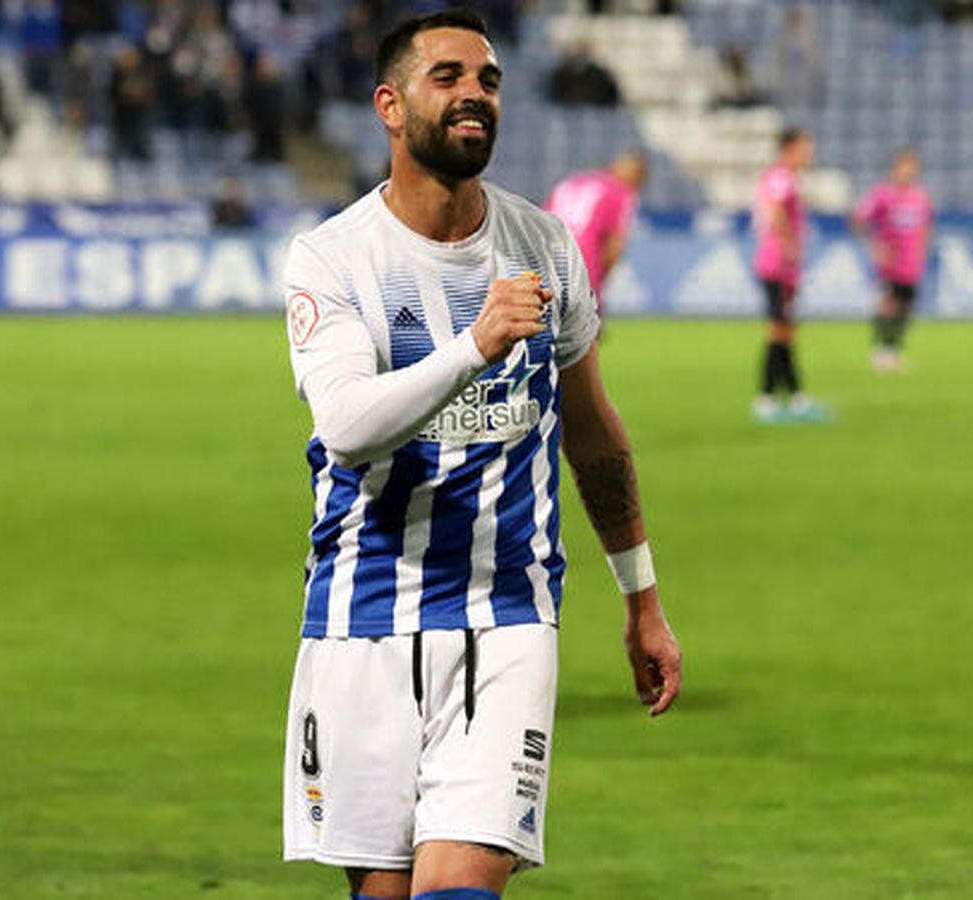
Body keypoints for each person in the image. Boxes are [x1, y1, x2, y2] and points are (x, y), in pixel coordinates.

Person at [279, 12, 683, 900]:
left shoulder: (543, 247)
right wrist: (474, 345)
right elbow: (346, 425)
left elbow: (593, 431)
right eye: (449, 76)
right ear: (390, 106)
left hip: (507, 615)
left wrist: (641, 598)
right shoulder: (333, 259)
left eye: (490, 80)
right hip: (362, 614)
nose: (475, 94)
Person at [752, 127, 826, 423]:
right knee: (779, 331)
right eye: (805, 148)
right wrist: (789, 244)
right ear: (790, 148)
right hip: (778, 265)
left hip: (782, 266)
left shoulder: (781, 177)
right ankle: (766, 398)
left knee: (786, 331)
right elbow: (776, 210)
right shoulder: (782, 177)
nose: (810, 154)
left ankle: (795, 397)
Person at [851, 148, 933, 373]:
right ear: (895, 169)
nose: (908, 173)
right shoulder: (881, 194)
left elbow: (926, 226)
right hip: (889, 264)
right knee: (888, 305)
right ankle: (881, 350)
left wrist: (922, 250)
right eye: (904, 168)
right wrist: (874, 245)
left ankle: (894, 350)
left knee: (906, 308)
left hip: (911, 264)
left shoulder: (921, 197)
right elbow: (858, 218)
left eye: (911, 169)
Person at [545, 151, 647, 318]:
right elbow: (615, 245)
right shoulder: (621, 191)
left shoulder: (571, 182)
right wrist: (601, 277)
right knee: (587, 334)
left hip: (545, 257)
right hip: (582, 261)